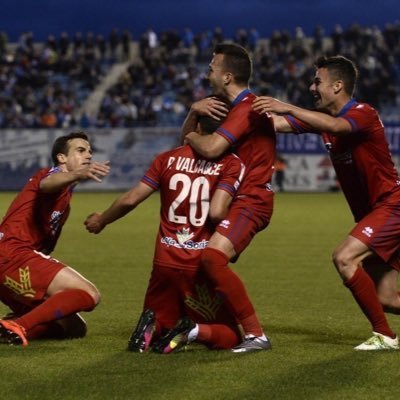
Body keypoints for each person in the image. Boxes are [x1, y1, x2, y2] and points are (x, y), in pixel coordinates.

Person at [253, 55, 400, 350]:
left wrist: (288, 105)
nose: (311, 87)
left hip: (392, 206)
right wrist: (236, 112)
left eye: (317, 81)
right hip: (375, 214)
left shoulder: (362, 113)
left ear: (338, 85)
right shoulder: (323, 122)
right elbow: (278, 124)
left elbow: (338, 126)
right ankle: (385, 333)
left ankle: (385, 336)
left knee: (344, 258)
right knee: (385, 297)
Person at [84, 112, 246, 353]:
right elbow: (217, 212)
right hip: (200, 263)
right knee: (231, 335)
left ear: (198, 126)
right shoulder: (232, 163)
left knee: (164, 320)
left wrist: (102, 220)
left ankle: (152, 325)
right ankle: (193, 330)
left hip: (165, 260)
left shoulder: (167, 158)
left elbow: (131, 199)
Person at [182, 42, 276, 352]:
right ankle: (207, 327)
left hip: (251, 199)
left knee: (211, 258)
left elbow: (209, 148)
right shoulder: (235, 106)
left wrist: (192, 135)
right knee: (201, 259)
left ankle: (255, 335)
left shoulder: (246, 107)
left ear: (227, 76)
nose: (207, 70)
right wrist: (194, 112)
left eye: (212, 67)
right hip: (237, 197)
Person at [0, 132, 110, 346]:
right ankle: (19, 325)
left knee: (73, 328)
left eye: (89, 151)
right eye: (80, 150)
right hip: (12, 253)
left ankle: (9, 327)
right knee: (89, 293)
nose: (88, 155)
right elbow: (48, 183)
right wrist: (78, 174)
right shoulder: (49, 176)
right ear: (62, 158)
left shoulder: (64, 202)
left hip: (11, 264)